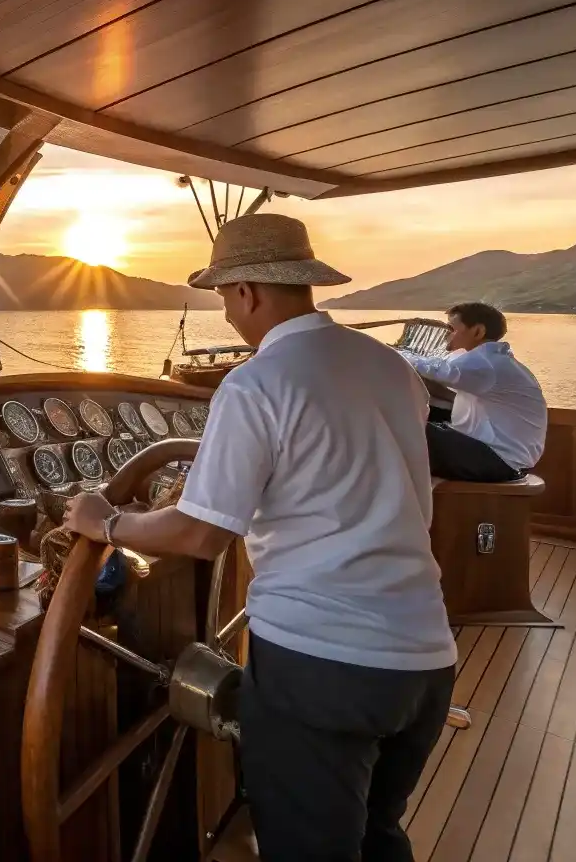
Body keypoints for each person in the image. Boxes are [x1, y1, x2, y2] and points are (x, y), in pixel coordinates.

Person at [62, 213, 455, 862]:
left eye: (223, 298)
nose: (226, 314)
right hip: (424, 661)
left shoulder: (255, 384)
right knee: (379, 836)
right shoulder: (391, 369)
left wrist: (103, 522)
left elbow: (199, 533)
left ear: (246, 291)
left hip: (323, 668)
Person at [403, 302, 546, 483]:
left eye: (452, 329)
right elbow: (439, 384)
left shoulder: (487, 362)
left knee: (395, 425)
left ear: (478, 331)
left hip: (496, 461)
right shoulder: (491, 362)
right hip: (500, 458)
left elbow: (438, 370)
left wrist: (393, 353)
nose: (446, 335)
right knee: (413, 420)